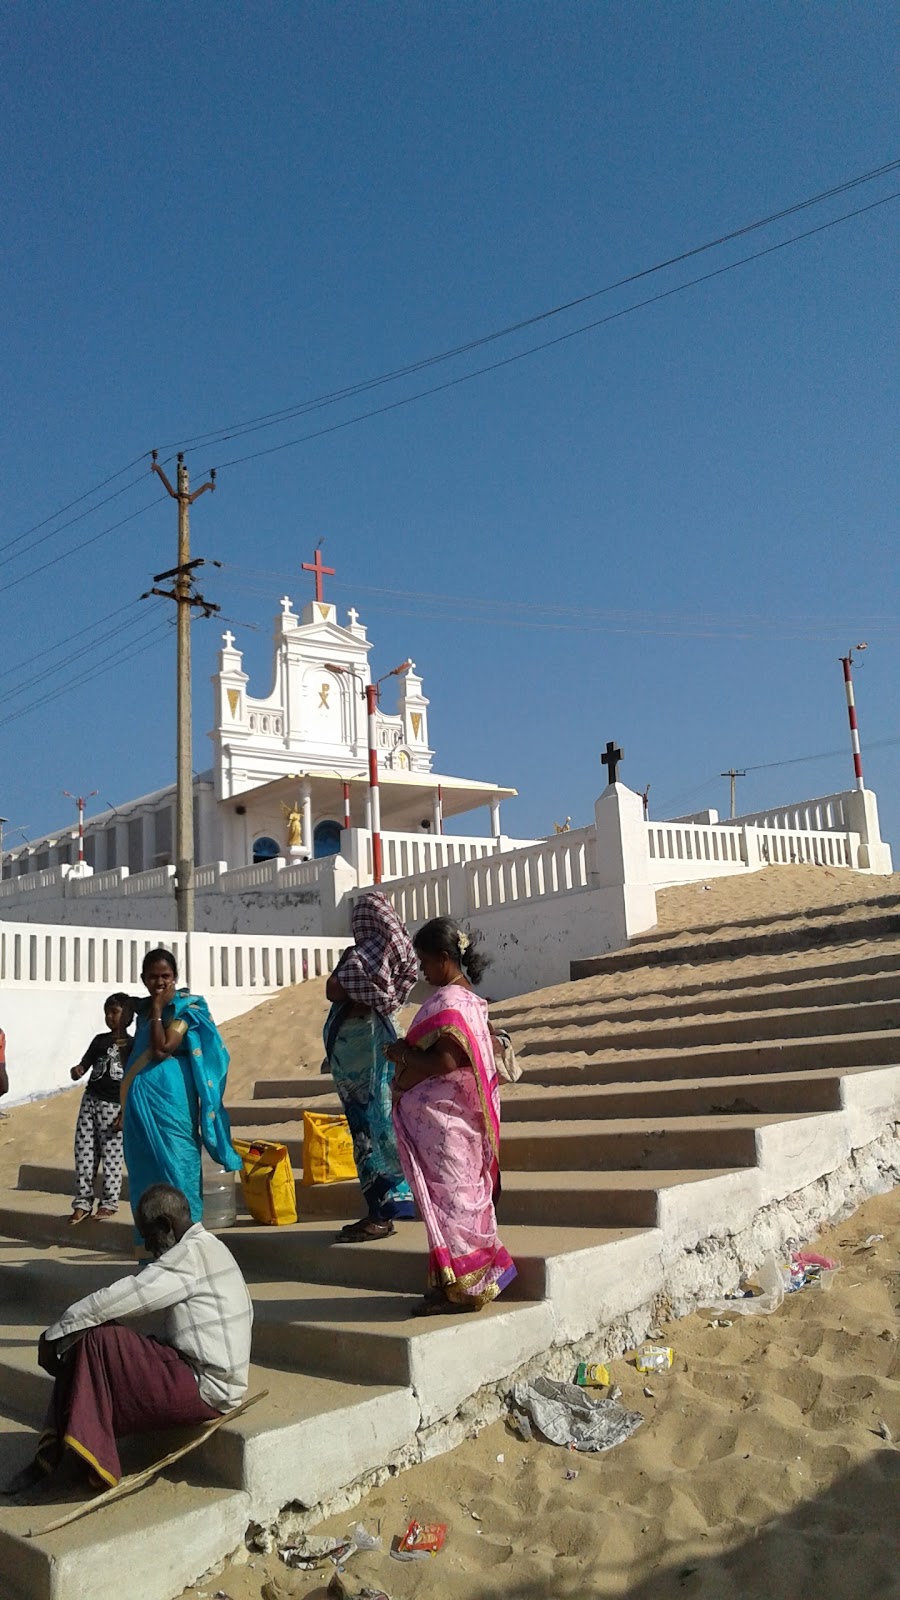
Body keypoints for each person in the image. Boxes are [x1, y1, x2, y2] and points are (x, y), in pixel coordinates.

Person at [3, 1184, 253, 1496]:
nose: (148, 1246)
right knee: (94, 1338)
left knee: (98, 1339)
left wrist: (57, 1331)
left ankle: (87, 1460)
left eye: (149, 1236)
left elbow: (125, 1295)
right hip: (204, 1375)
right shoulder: (206, 1246)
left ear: (166, 1225)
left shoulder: (189, 1255)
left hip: (208, 1388)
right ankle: (61, 1450)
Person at [385, 917, 516, 1315]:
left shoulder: (451, 1003)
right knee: (456, 1200)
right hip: (457, 1121)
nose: (423, 971)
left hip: (447, 1125)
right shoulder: (472, 1002)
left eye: (425, 962)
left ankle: (466, 1289)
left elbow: (444, 1060)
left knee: (454, 1202)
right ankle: (452, 1284)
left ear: (444, 959)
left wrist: (401, 1055)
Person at [121, 948, 242, 1239]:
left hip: (171, 1102)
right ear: (143, 978)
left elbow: (163, 1049)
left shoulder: (184, 1010)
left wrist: (158, 1010)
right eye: (153, 977)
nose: (159, 982)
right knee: (145, 1176)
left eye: (165, 976)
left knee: (179, 1167)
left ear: (175, 977)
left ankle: (188, 1243)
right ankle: (152, 1249)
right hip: (140, 1106)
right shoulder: (143, 1009)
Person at [323, 891, 419, 1241]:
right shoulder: (402, 956)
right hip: (378, 1057)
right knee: (381, 1127)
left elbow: (334, 990)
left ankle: (381, 1212)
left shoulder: (362, 957)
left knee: (369, 1133)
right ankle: (386, 1207)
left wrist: (347, 972)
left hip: (363, 1066)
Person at [68, 992, 134, 1224]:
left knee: (111, 1156)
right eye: (107, 1012)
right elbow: (84, 1065)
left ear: (128, 1016)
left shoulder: (132, 1045)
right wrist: (77, 1070)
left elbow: (132, 1081)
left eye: (115, 1012)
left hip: (114, 1106)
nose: (109, 1017)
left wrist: (125, 1113)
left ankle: (108, 1202)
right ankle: (83, 1202)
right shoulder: (99, 1040)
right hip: (90, 1100)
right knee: (84, 1151)